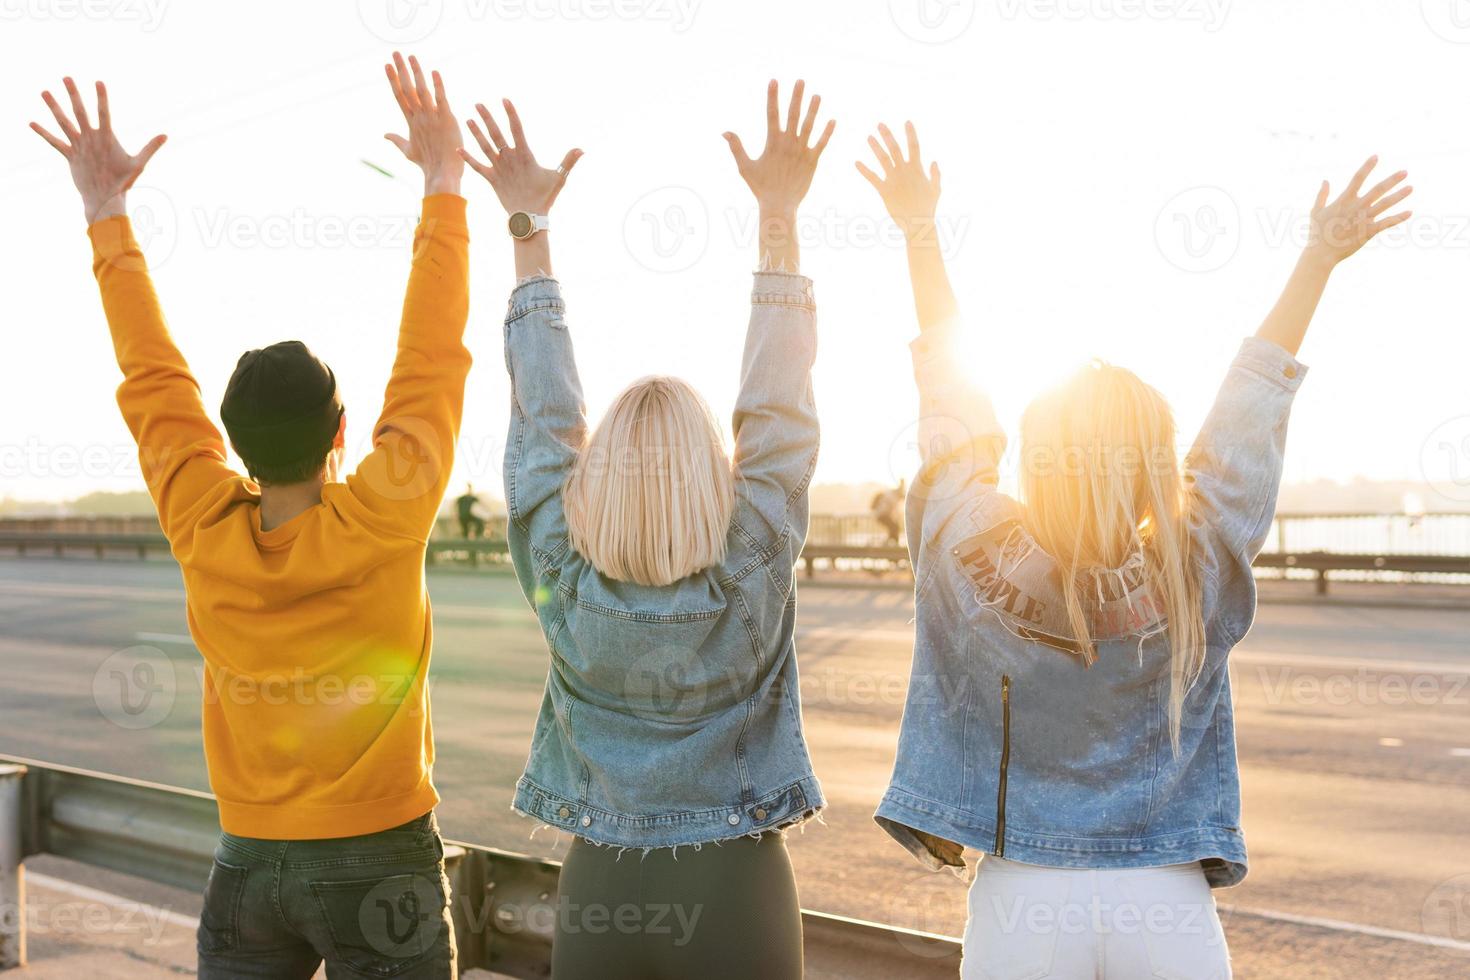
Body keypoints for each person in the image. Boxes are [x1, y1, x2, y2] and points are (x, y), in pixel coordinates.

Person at [856, 121, 1411, 979]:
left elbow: (952, 409)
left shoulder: (965, 543)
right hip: (1165, 897)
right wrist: (1316, 261)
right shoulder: (1192, 572)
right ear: (1158, 458)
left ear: (1038, 455)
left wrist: (920, 233)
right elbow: (1243, 429)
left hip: (1021, 899)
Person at [30, 53, 473, 978]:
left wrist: (105, 216)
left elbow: (152, 378)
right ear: (343, 431)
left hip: (247, 865)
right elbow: (430, 360)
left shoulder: (201, 518)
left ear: (229, 441)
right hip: (380, 860)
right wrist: (443, 185)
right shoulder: (385, 517)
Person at [461, 79, 833, 978]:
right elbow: (776, 409)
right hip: (740, 882)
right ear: (716, 478)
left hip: (604, 888)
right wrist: (778, 215)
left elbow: (544, 416)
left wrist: (527, 230)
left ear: (601, 479)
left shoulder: (563, 572)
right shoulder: (753, 559)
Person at [871, 478, 906, 544]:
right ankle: (891, 542)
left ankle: (890, 541)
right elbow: (901, 498)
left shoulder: (893, 493)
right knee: (895, 527)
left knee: (894, 527)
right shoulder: (893, 495)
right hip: (882, 515)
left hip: (882, 514)